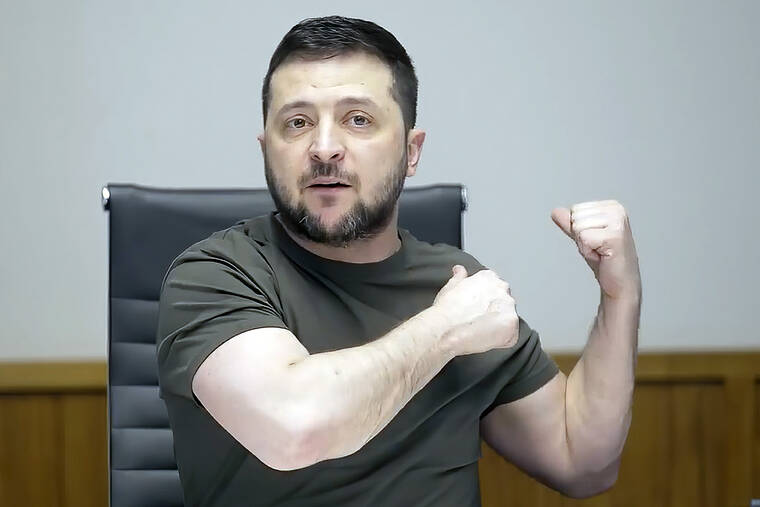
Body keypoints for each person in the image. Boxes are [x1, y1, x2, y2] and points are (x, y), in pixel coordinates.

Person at [156, 15, 642, 507]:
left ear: (411, 152)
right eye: (297, 123)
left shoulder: (455, 284)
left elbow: (582, 463)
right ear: (267, 149)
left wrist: (620, 295)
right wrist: (445, 331)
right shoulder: (214, 276)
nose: (324, 148)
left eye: (358, 119)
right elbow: (294, 428)